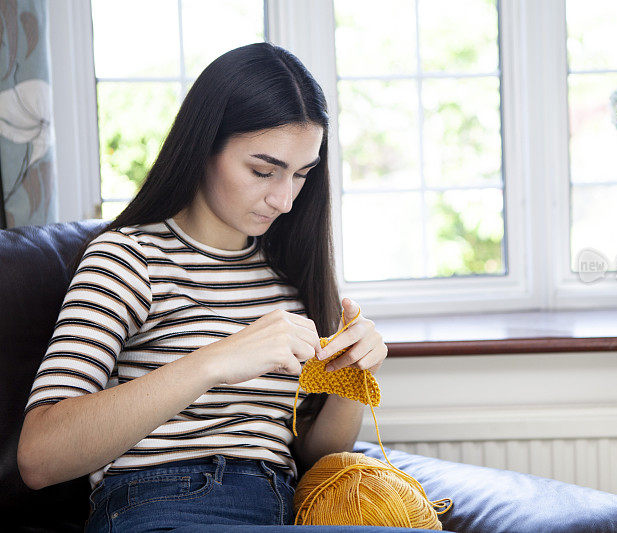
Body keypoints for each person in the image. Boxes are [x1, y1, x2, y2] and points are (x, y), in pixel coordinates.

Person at [16, 42, 388, 532]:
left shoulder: (289, 274)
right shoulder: (127, 259)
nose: (284, 200)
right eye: (262, 170)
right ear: (203, 146)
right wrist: (215, 361)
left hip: (278, 506)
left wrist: (350, 382)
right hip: (160, 504)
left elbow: (317, 460)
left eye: (301, 175)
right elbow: (39, 458)